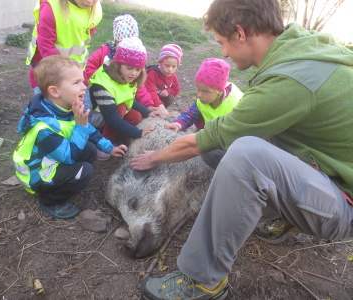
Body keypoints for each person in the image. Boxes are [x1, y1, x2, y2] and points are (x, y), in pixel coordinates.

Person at [131, 0, 353, 299]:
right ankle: (286, 215)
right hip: (327, 170)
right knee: (224, 149)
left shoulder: (291, 81)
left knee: (246, 154)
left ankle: (203, 280)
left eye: (223, 42)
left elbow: (203, 140)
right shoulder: (301, 46)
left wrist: (154, 157)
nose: (223, 52)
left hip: (344, 202)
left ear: (240, 33)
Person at [13, 55, 127, 220]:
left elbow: (89, 129)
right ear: (55, 91)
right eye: (76, 83)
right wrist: (80, 127)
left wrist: (110, 147)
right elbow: (67, 156)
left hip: (53, 158)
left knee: (89, 149)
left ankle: (68, 179)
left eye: (82, 80)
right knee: (85, 170)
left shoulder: (65, 107)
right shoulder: (43, 128)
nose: (84, 86)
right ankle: (51, 201)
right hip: (35, 174)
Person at [25, 0, 103, 127]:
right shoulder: (50, 8)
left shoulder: (94, 9)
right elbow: (46, 45)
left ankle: (81, 136)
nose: (91, 1)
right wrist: (68, 77)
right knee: (49, 115)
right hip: (48, 73)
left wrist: (78, 76)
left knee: (82, 111)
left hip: (74, 72)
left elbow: (85, 33)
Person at [89, 37, 155, 144]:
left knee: (135, 116)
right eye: (130, 68)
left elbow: (127, 98)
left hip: (112, 113)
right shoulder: (102, 84)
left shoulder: (125, 77)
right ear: (118, 65)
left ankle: (122, 139)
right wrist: (138, 133)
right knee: (121, 108)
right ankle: (106, 145)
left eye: (138, 69)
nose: (134, 73)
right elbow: (112, 118)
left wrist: (147, 112)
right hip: (96, 118)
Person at [84, 14, 154, 111]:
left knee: (135, 115)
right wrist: (106, 83)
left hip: (122, 95)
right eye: (123, 43)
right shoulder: (104, 52)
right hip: (100, 94)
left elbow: (138, 84)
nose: (127, 47)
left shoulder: (135, 56)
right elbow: (89, 68)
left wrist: (148, 104)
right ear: (116, 40)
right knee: (117, 111)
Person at [166, 58, 243, 132]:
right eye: (198, 89)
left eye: (205, 91)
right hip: (209, 131)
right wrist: (179, 124)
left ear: (219, 91)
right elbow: (191, 114)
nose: (199, 95)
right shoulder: (203, 100)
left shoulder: (236, 106)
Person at [143, 44, 183, 116]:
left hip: (160, 97)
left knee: (170, 97)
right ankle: (154, 110)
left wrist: (168, 91)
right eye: (167, 65)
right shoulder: (152, 73)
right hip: (149, 98)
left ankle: (161, 109)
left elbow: (176, 89)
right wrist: (159, 105)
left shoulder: (172, 76)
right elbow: (151, 91)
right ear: (160, 62)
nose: (170, 69)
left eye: (174, 67)